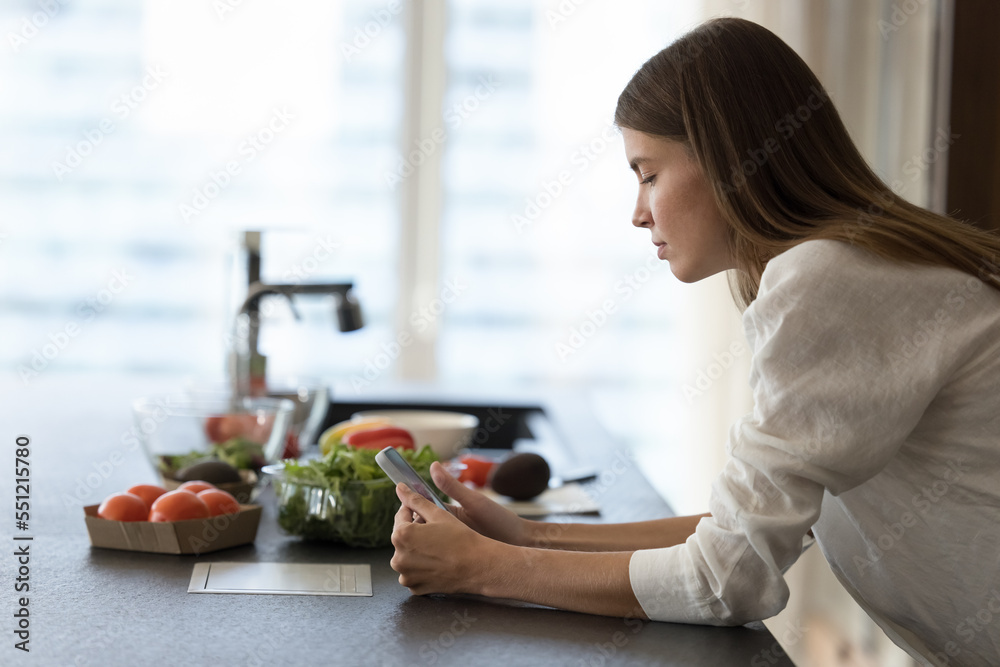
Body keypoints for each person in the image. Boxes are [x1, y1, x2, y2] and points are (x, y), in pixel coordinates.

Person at [388, 17, 1000, 666]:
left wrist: (485, 568)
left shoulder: (827, 279)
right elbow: (745, 527)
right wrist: (529, 536)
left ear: (725, 157)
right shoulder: (851, 265)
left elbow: (727, 577)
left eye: (647, 173)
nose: (638, 210)